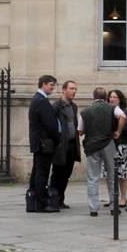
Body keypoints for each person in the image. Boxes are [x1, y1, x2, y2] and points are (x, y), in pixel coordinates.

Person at [79, 87, 120, 217]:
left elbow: (80, 131)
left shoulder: (85, 111)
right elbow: (123, 116)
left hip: (92, 145)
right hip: (108, 143)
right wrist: (118, 131)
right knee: (112, 175)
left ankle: (93, 209)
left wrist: (88, 130)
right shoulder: (112, 108)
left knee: (93, 177)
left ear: (93, 96)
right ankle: (114, 207)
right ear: (105, 97)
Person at [26, 75, 61, 214]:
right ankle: (41, 203)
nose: (53, 88)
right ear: (43, 84)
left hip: (39, 142)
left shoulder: (38, 99)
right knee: (42, 173)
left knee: (37, 172)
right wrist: (58, 138)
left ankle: (33, 201)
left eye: (53, 85)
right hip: (44, 143)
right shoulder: (41, 101)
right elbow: (50, 125)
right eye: (51, 85)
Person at [48, 80, 81, 210]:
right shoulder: (56, 106)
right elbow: (52, 126)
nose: (74, 91)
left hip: (72, 144)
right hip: (61, 145)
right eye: (71, 88)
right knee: (57, 174)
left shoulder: (74, 106)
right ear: (63, 90)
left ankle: (61, 199)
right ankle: (54, 199)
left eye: (75, 89)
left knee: (67, 174)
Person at [108, 87, 127, 209]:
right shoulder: (107, 110)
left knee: (122, 174)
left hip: (122, 145)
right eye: (110, 96)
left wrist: (117, 129)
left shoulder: (125, 112)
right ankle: (112, 198)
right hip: (110, 145)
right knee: (110, 173)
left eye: (115, 97)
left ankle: (123, 197)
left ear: (120, 99)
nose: (112, 99)